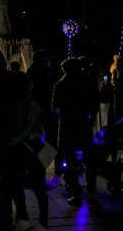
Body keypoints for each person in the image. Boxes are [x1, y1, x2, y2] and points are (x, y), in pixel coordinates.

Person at [52, 58, 100, 207]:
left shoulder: (60, 85)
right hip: (84, 128)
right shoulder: (86, 85)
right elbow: (94, 105)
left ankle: (76, 193)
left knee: (70, 162)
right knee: (90, 161)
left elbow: (55, 108)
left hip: (67, 128)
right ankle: (92, 192)